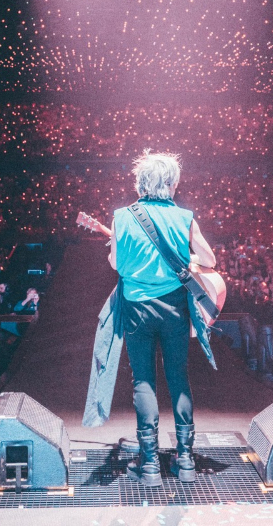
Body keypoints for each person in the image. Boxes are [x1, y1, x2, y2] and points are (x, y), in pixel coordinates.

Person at [104, 151, 217, 486]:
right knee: (178, 376)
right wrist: (187, 257)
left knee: (143, 380)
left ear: (140, 182)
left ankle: (150, 462)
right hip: (174, 307)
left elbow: (116, 265)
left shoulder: (122, 217)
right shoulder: (185, 217)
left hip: (137, 306)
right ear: (173, 183)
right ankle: (185, 459)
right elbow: (209, 259)